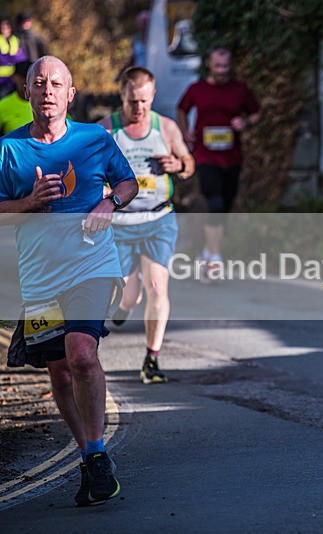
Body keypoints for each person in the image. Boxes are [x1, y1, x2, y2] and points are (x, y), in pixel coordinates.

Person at [0, 56, 138, 505]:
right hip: (40, 278)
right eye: (39, 83)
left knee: (80, 355)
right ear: (27, 92)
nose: (48, 91)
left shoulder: (95, 139)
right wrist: (28, 203)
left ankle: (97, 454)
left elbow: (129, 183)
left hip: (92, 267)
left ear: (70, 94)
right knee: (59, 373)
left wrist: (109, 205)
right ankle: (87, 455)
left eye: (56, 83)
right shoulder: (9, 150)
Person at [98, 66, 194, 384]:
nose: (138, 109)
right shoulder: (106, 130)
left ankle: (151, 359)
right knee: (129, 295)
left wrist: (178, 164)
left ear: (152, 96)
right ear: (121, 96)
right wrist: (102, 193)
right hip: (121, 223)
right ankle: (123, 307)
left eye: (144, 101)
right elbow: (90, 175)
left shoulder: (164, 128)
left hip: (158, 219)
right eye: (132, 101)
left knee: (157, 287)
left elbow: (189, 164)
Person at [176, 45, 259, 283]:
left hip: (232, 157)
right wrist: (186, 132)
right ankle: (214, 257)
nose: (222, 70)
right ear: (209, 65)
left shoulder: (239, 90)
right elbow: (182, 109)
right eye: (217, 65)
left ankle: (206, 252)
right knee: (215, 200)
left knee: (226, 204)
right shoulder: (197, 89)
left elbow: (255, 113)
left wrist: (244, 122)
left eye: (225, 66)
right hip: (205, 155)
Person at [0, 60, 32, 135]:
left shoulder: (47, 103)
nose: (25, 81)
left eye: (29, 77)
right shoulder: (3, 106)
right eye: (22, 76)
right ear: (14, 78)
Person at [0, 17, 27, 98]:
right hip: (2, 79)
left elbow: (22, 58)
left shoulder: (15, 40)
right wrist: (13, 56)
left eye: (7, 27)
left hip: (13, 78)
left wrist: (7, 57)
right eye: (3, 28)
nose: (5, 30)